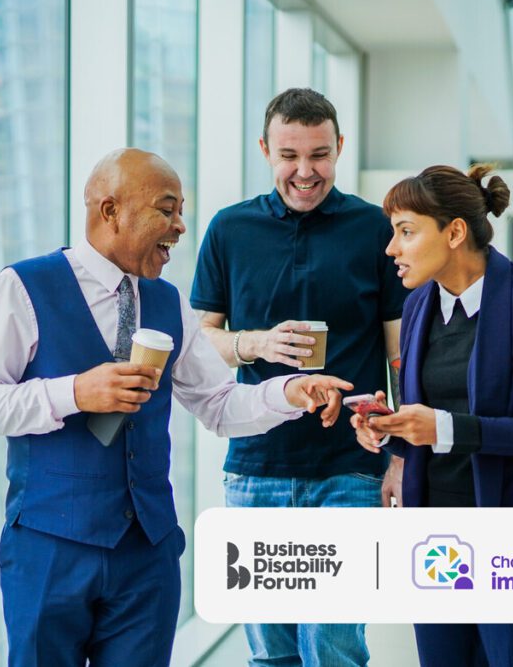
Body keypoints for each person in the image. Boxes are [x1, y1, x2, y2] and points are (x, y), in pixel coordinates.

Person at [0, 148, 353, 667]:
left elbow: (217, 404)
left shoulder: (168, 303)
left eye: (181, 209)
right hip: (49, 549)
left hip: (147, 553)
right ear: (110, 210)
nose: (181, 226)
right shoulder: (25, 287)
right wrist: (73, 393)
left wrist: (288, 393)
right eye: (167, 209)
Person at [190, 88, 408, 666]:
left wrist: (404, 458)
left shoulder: (375, 230)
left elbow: (400, 354)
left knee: (333, 647)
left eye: (319, 154)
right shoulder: (228, 230)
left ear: (339, 148)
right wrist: (255, 342)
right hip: (255, 469)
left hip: (352, 470)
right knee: (273, 654)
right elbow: (199, 346)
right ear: (265, 150)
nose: (305, 171)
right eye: (290, 155)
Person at [351, 163, 513, 667]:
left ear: (455, 232)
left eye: (406, 232)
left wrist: (447, 429)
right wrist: (389, 429)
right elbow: (430, 428)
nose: (391, 249)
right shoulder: (417, 307)